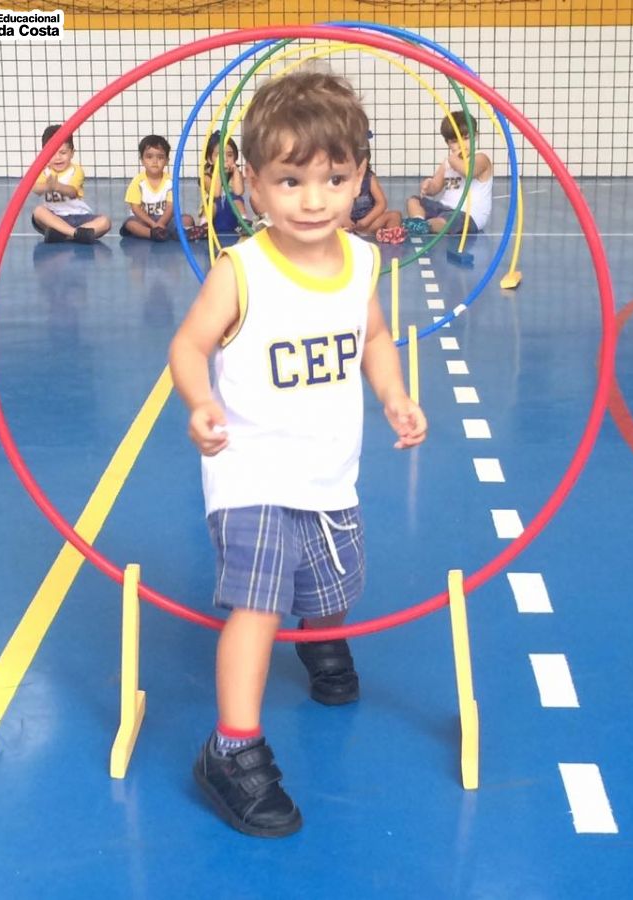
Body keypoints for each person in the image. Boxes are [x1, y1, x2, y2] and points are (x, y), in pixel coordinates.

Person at [169, 70, 427, 838]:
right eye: (290, 180)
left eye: (334, 179)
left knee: (332, 584)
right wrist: (200, 401)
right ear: (251, 183)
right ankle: (232, 749)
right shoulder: (242, 271)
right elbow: (188, 345)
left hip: (328, 469)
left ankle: (322, 639)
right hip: (248, 471)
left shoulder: (362, 262)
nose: (313, 200)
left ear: (360, 177)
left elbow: (374, 338)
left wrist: (394, 394)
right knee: (258, 602)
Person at [405, 110, 493, 235]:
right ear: (448, 143)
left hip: (469, 215)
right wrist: (428, 185)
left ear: (475, 136)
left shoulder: (481, 158)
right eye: (455, 141)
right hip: (444, 207)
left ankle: (427, 225)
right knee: (414, 201)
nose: (461, 145)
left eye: (466, 138)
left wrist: (453, 159)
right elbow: (435, 187)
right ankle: (418, 221)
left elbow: (468, 172)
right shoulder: (447, 163)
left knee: (449, 221)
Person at [31, 125, 111, 244]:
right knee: (38, 211)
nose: (58, 158)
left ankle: (64, 235)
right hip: (55, 217)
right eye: (52, 153)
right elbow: (36, 189)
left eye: (63, 152)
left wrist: (57, 186)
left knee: (105, 222)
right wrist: (47, 187)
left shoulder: (76, 170)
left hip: (79, 216)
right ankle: (76, 234)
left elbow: (72, 192)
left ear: (72, 153)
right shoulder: (44, 171)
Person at [120, 134, 195, 241]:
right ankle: (152, 234)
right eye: (149, 157)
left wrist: (160, 223)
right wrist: (153, 225)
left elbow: (171, 207)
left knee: (187, 219)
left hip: (166, 220)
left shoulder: (170, 181)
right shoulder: (138, 181)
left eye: (160, 157)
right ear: (142, 160)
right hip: (144, 221)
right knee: (130, 223)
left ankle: (179, 233)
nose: (155, 161)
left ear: (167, 160)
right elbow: (135, 208)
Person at [347, 146, 404, 242]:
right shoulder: (341, 180)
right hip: (347, 225)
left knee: (395, 215)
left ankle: (388, 234)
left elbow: (381, 203)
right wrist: (345, 220)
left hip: (369, 224)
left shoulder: (369, 178)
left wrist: (366, 221)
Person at [201, 130, 248, 233]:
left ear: (235, 158)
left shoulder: (236, 174)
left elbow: (239, 192)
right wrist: (219, 171)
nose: (225, 159)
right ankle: (204, 225)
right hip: (215, 218)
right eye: (219, 156)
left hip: (232, 218)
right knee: (212, 203)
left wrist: (236, 171)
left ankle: (244, 222)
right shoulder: (206, 176)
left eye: (229, 155)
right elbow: (216, 193)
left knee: (236, 199)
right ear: (210, 160)